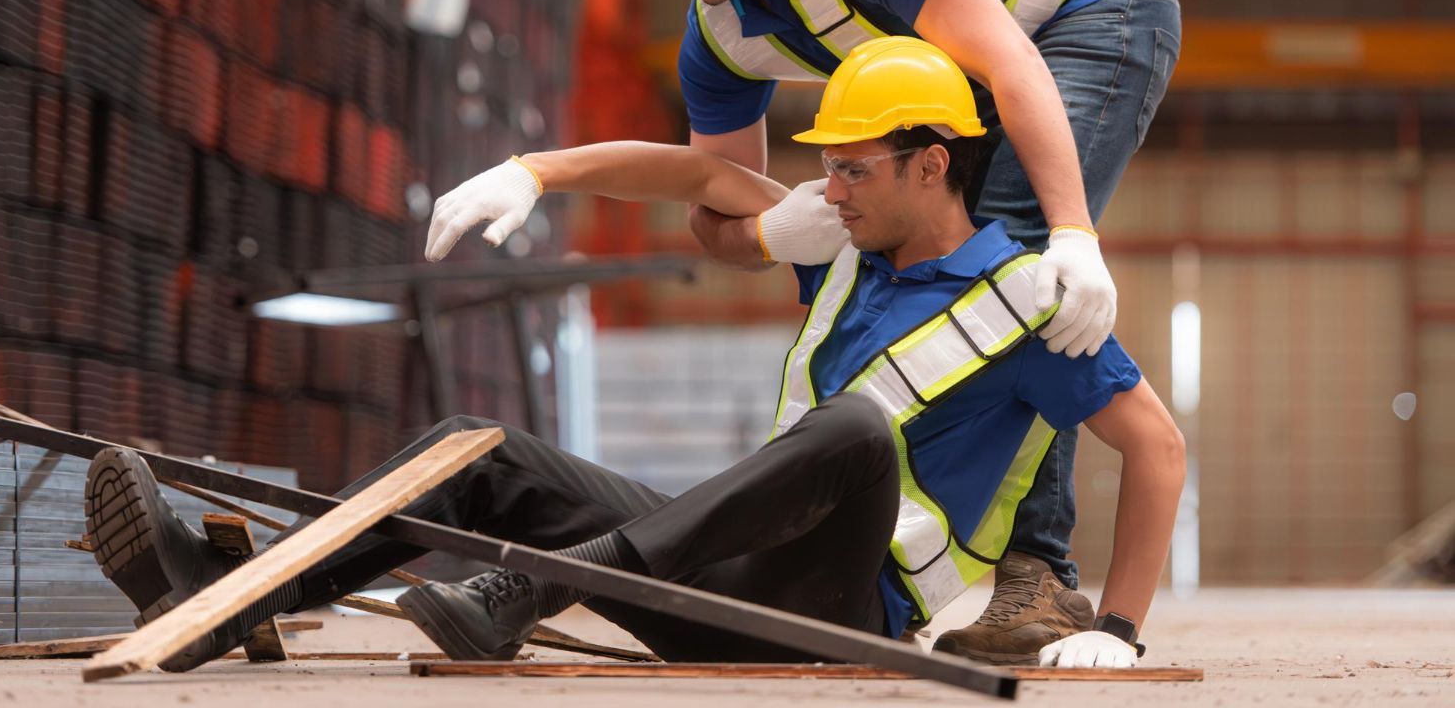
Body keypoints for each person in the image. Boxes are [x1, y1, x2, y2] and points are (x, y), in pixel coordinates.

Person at [88, 40, 1184, 671]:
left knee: (853, 432)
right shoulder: (848, 251)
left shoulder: (1029, 304)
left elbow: (1158, 450)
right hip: (725, 582)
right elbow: (695, 177)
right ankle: (225, 589)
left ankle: (527, 594)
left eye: (852, 169)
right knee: (484, 452)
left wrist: (1123, 631)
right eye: (827, 168)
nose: (828, 190)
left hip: (841, 617)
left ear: (932, 164)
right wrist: (538, 173)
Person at [554, 0, 1183, 660]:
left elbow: (1013, 65)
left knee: (1016, 272)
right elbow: (715, 208)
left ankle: (1041, 574)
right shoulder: (717, 41)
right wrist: (773, 229)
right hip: (987, 59)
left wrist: (1070, 234)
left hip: (1096, 4)